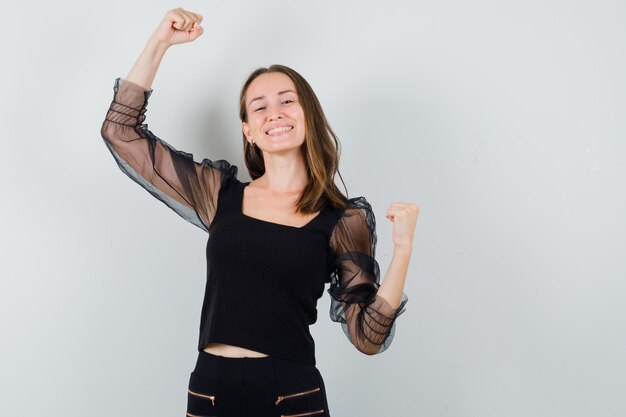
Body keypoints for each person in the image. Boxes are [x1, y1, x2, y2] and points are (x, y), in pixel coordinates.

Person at [100, 7, 419, 417]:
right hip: (210, 390)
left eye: (287, 101)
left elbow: (368, 337)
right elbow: (121, 133)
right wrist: (160, 41)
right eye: (259, 107)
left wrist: (403, 250)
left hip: (291, 394)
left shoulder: (343, 219)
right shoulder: (219, 194)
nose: (275, 113)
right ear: (248, 130)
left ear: (308, 115)